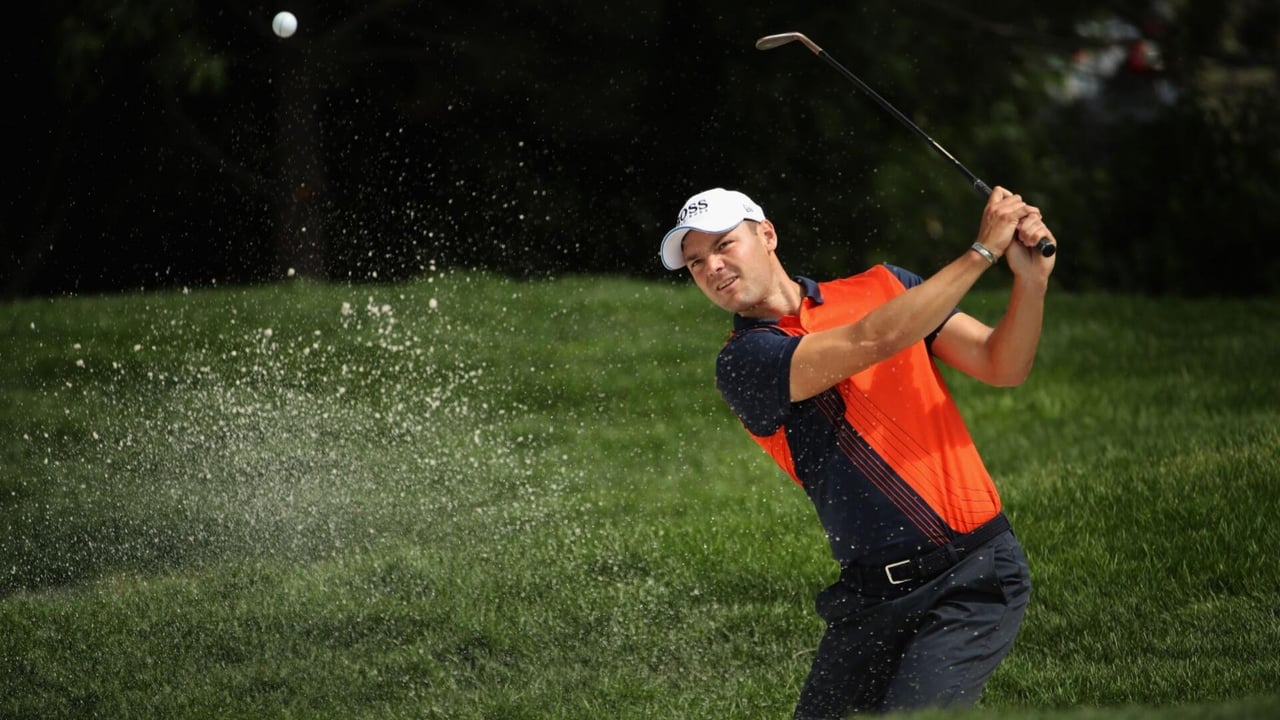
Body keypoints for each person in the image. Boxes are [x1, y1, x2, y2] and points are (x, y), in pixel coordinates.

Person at [658, 186, 1056, 718]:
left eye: (725, 245)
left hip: (973, 575)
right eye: (696, 262)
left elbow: (1001, 364)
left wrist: (1031, 282)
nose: (713, 267)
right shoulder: (745, 362)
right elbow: (872, 341)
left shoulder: (886, 285)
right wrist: (981, 253)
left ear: (767, 234)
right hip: (869, 600)